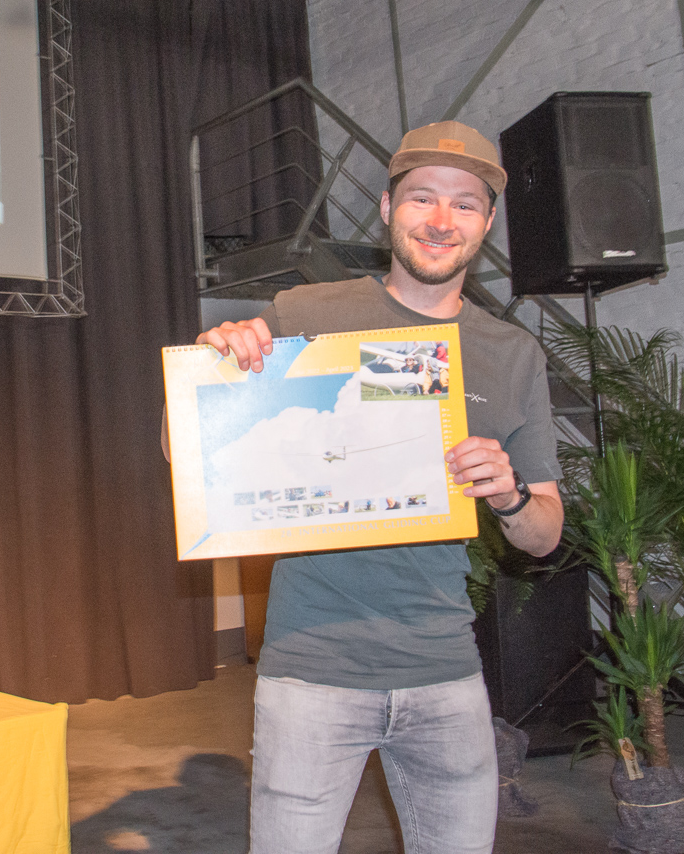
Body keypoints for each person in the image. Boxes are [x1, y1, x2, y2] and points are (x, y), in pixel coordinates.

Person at [196, 121, 564, 854]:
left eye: (465, 204)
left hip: (447, 671)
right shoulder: (307, 314)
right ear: (390, 206)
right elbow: (189, 457)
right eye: (422, 197)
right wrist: (213, 373)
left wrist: (511, 496)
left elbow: (546, 534)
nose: (441, 219)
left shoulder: (512, 353)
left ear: (487, 222)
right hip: (311, 674)